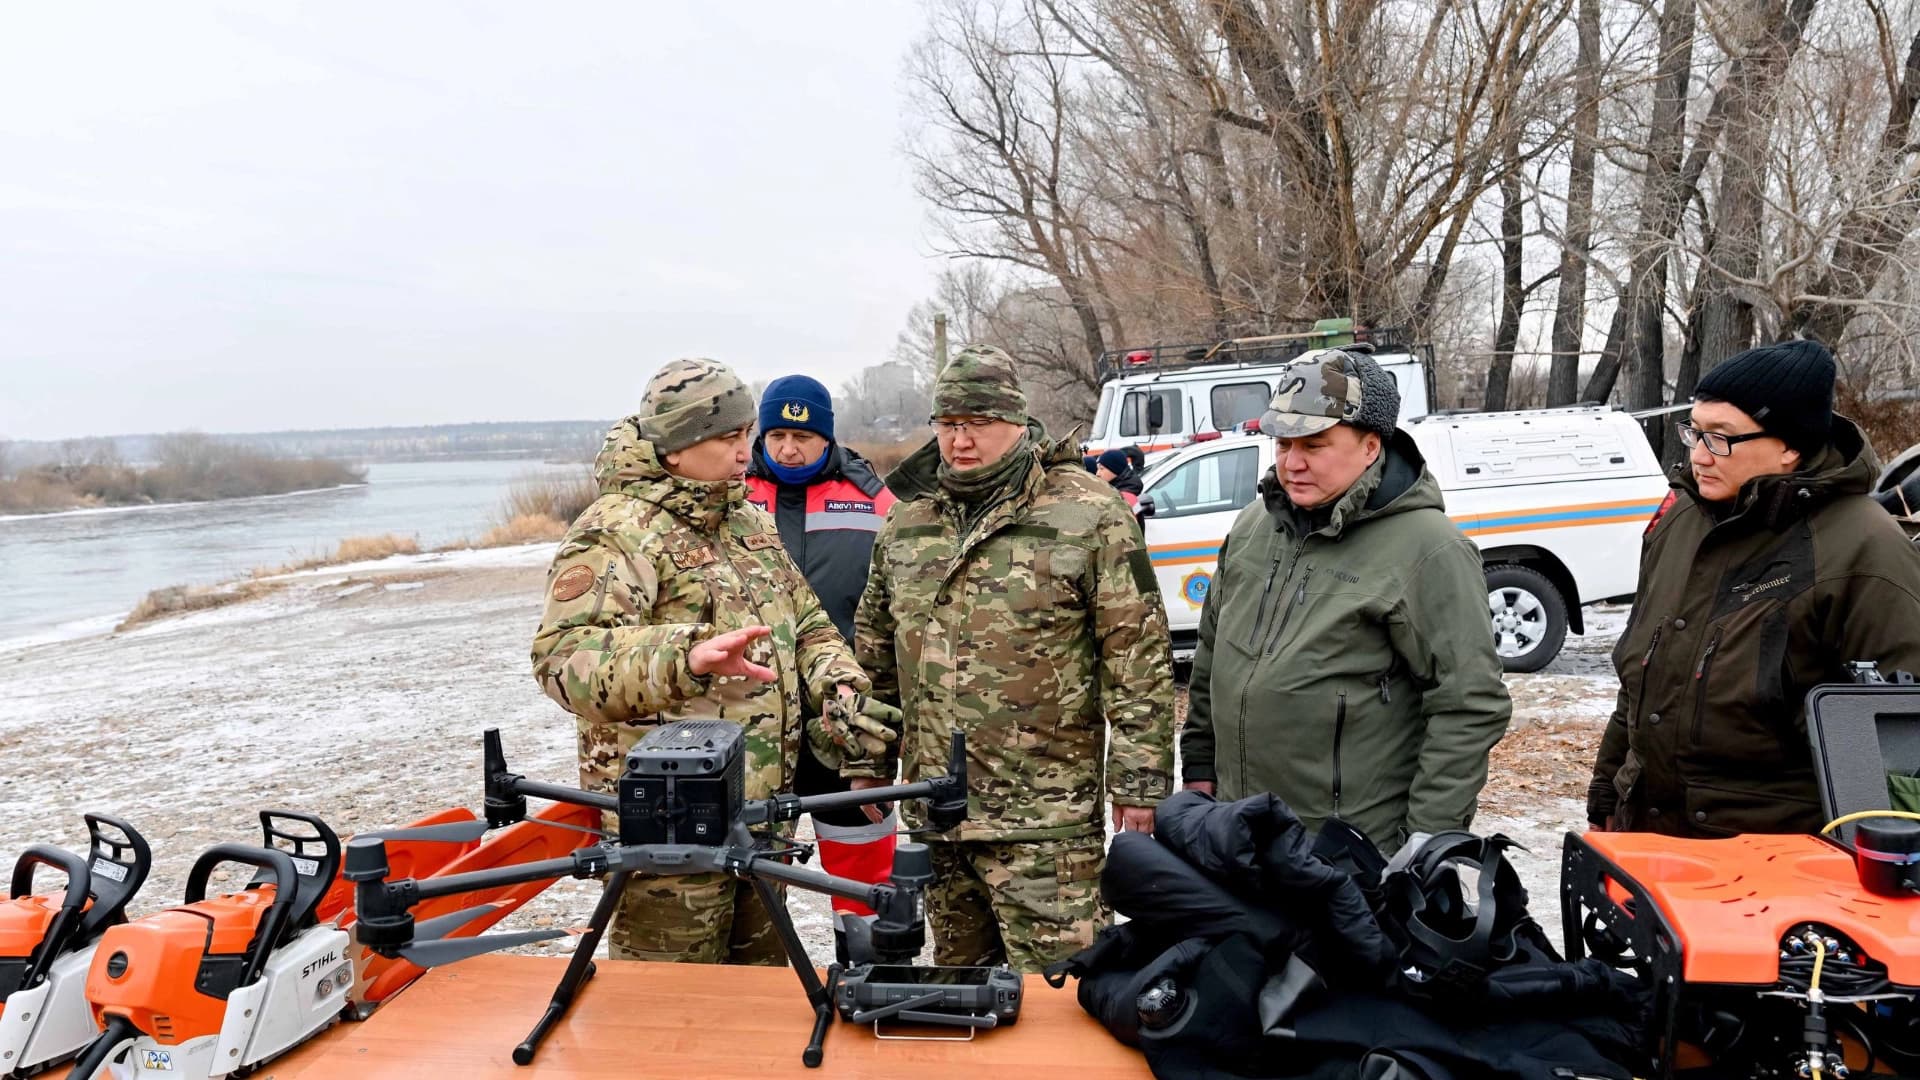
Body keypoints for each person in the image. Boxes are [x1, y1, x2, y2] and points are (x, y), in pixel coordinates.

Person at [530, 357, 896, 964]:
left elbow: (806, 624)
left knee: (759, 1002)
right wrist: (685, 657)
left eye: (746, 435)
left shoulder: (743, 518)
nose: (745, 453)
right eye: (730, 437)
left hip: (761, 822)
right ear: (676, 446)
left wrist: (840, 689)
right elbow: (563, 658)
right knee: (673, 1015)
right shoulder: (617, 531)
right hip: (671, 840)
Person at [853, 344, 1176, 972]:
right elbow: (875, 656)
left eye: (978, 425)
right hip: (941, 819)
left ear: (1019, 425)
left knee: (1064, 1002)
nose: (961, 442)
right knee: (960, 996)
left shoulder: (1085, 514)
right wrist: (867, 761)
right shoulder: (909, 522)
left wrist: (1138, 784)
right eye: (949, 425)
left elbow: (1136, 656)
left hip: (1046, 822)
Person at [1180, 346, 1511, 855]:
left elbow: (1469, 703)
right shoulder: (1253, 527)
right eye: (1283, 444)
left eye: (1314, 445)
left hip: (1347, 851)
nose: (1293, 463)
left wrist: (1426, 839)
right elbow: (1211, 654)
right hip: (1239, 829)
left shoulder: (1429, 549)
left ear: (1371, 446)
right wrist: (1200, 768)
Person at [1588, 339, 1920, 837]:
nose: (1699, 455)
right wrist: (1608, 790)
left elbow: (1902, 741)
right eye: (1694, 432)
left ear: (1790, 446)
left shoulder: (1865, 548)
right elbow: (1640, 677)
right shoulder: (1680, 519)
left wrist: (1886, 866)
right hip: (1652, 840)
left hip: (1781, 860)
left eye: (1721, 437)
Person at [743, 374, 899, 960]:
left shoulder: (873, 500)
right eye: (777, 434)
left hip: (846, 719)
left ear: (827, 437)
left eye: (802, 436)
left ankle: (866, 974)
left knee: (861, 873)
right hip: (755, 725)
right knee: (752, 877)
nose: (788, 449)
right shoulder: (732, 497)